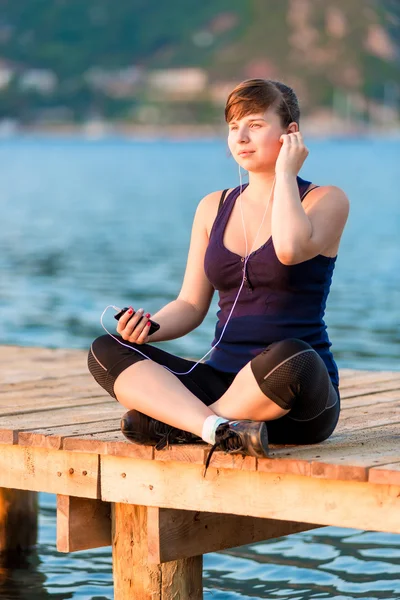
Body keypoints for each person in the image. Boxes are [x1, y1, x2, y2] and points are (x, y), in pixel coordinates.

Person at [87, 79, 349, 473]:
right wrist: (149, 326)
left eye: (256, 125)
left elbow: (290, 249)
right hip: (220, 379)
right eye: (233, 127)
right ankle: (216, 428)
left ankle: (179, 422)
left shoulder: (325, 200)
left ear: (291, 133)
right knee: (104, 351)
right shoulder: (214, 206)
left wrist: (284, 174)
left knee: (293, 356)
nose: (241, 137)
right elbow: (191, 304)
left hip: (292, 394)